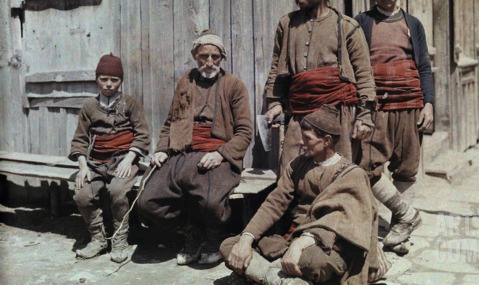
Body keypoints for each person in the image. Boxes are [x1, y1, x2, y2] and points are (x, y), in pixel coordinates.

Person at [220, 105, 380, 285]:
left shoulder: (351, 174)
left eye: (307, 138)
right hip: (291, 236)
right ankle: (284, 281)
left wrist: (303, 242)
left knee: (311, 263)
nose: (301, 143)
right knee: (230, 246)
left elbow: (342, 220)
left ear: (326, 140)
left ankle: (261, 273)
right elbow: (275, 202)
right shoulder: (298, 165)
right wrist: (247, 238)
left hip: (327, 244)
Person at [138, 32, 253, 266]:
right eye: (203, 56)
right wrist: (161, 149)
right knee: (147, 201)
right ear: (194, 56)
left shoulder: (234, 85)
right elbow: (170, 122)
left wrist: (220, 154)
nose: (209, 62)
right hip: (182, 151)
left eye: (215, 57)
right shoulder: (185, 81)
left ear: (222, 57)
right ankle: (191, 232)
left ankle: (214, 237)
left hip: (217, 154)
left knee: (211, 202)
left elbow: (245, 133)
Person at [264, 0, 377, 176]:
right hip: (299, 114)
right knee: (291, 172)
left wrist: (364, 116)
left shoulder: (346, 27)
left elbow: (364, 74)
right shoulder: (287, 25)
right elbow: (276, 68)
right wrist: (275, 103)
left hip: (336, 113)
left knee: (336, 174)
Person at [354, 0, 435, 253]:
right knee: (367, 166)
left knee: (406, 168)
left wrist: (428, 104)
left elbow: (424, 66)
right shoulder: (361, 22)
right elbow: (354, 65)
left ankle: (398, 227)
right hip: (378, 106)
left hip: (411, 104)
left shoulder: (413, 24)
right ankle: (405, 215)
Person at [69, 53, 151, 263]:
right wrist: (83, 166)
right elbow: (80, 139)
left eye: (114, 80)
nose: (108, 84)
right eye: (103, 79)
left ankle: (119, 238)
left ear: (120, 81)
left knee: (117, 191)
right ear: (97, 79)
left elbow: (142, 134)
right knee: (82, 195)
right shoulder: (89, 107)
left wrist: (129, 159)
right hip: (95, 163)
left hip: (124, 160)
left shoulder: (130, 104)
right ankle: (98, 239)